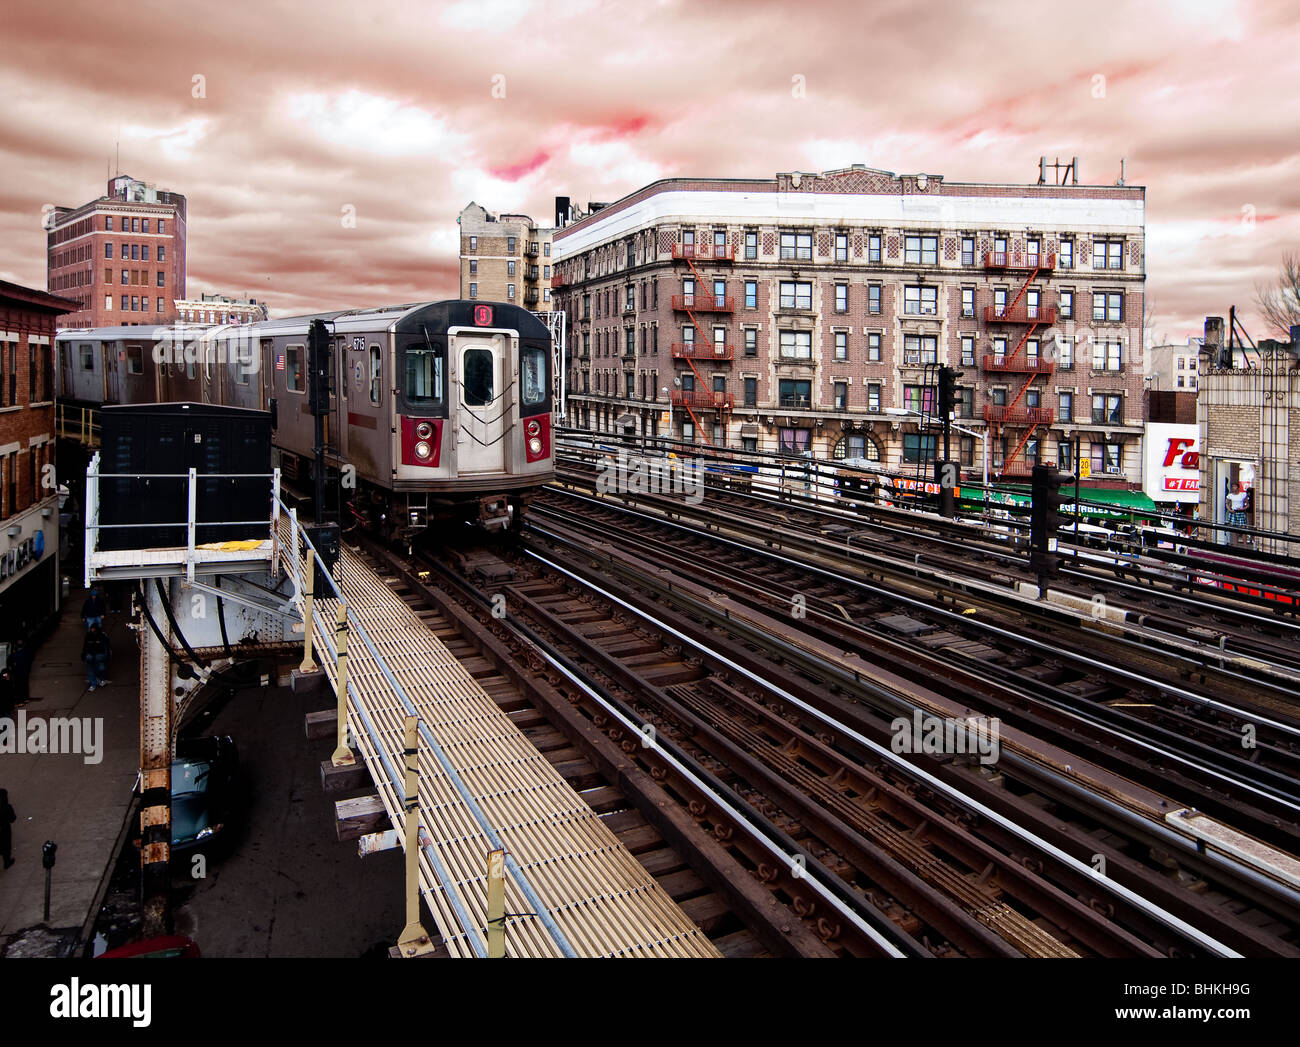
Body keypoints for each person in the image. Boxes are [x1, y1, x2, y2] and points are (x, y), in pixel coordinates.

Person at [81, 623, 111, 691]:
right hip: (92, 654)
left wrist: (107, 655)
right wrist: (84, 654)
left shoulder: (102, 636)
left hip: (98, 654)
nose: (92, 630)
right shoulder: (88, 636)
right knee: (92, 668)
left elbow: (106, 647)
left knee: (100, 668)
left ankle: (98, 680)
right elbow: (85, 646)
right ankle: (94, 683)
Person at [9, 637, 32, 706]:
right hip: (24, 671)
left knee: (18, 686)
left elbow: (10, 661)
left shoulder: (15, 654)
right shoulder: (26, 652)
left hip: (18, 672)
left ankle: (20, 701)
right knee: (24, 684)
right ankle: (25, 698)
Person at [0, 789, 13, 869]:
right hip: (5, 829)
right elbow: (13, 819)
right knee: (6, 847)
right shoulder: (7, 807)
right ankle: (7, 862)